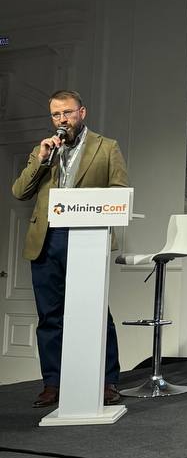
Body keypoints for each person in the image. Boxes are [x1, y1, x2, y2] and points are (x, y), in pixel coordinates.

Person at [11, 90, 129, 409]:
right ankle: (53, 383)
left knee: (96, 313)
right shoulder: (44, 150)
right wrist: (42, 160)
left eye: (67, 113)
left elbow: (119, 194)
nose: (62, 120)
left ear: (82, 113)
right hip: (46, 240)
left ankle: (106, 381)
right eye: (56, 114)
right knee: (49, 316)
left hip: (86, 238)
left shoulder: (107, 147)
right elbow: (20, 191)